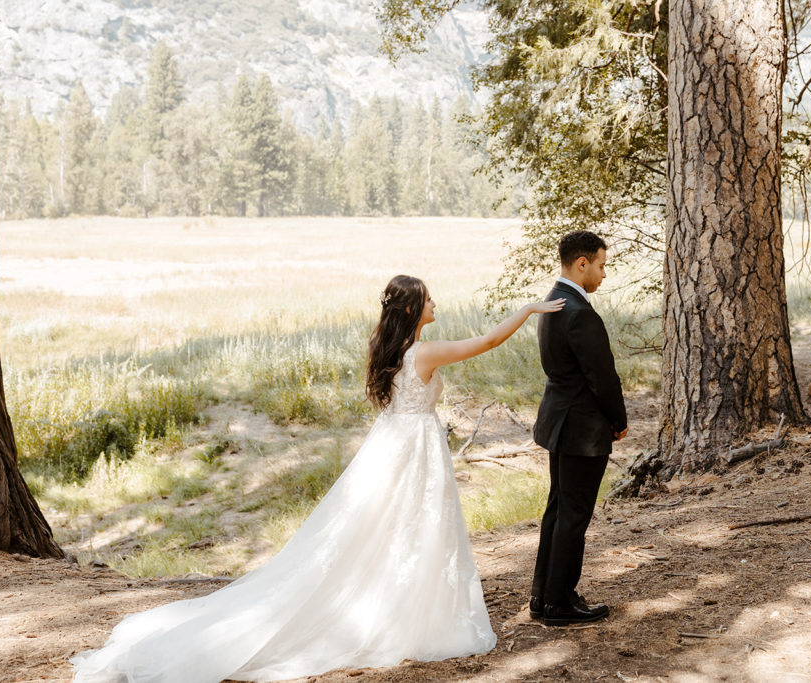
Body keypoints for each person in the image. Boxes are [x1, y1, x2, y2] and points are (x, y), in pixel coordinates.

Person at [70, 274, 564, 683]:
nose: (437, 303)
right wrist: (528, 309)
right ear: (414, 309)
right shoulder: (421, 355)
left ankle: (392, 601)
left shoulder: (393, 350)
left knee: (390, 532)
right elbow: (490, 341)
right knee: (406, 530)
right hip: (411, 453)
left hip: (398, 447)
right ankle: (395, 612)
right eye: (429, 298)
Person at [529, 231, 628, 626]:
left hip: (560, 422)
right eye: (601, 265)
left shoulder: (553, 303)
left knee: (558, 510)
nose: (604, 274)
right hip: (582, 429)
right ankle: (559, 602)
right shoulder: (579, 312)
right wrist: (618, 421)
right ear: (581, 263)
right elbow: (603, 377)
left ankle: (543, 595)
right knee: (573, 515)